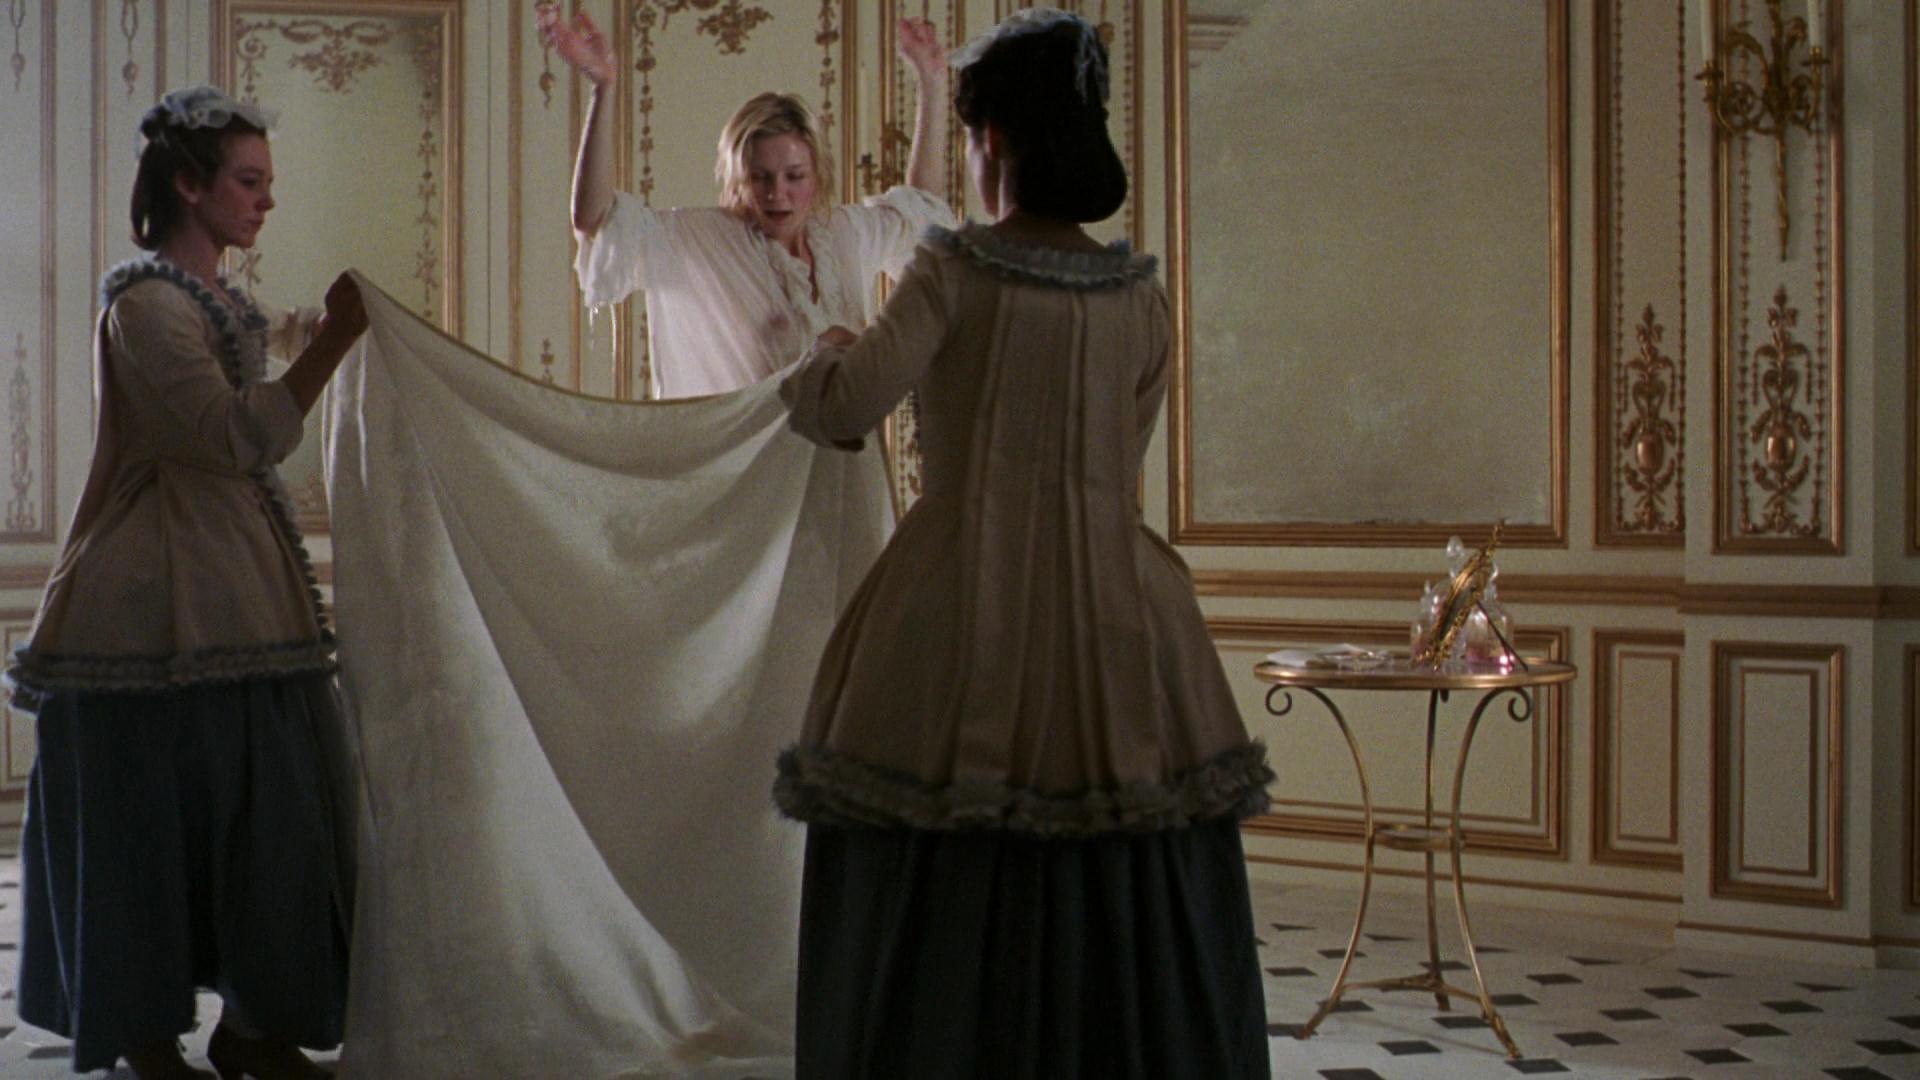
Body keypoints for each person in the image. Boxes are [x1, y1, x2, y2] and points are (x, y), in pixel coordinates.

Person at [775, 10, 1274, 1078]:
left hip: (963, 606)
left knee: (945, 881)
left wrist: (823, 353)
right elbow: (1120, 457)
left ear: (991, 139)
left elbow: (845, 407)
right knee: (1129, 863)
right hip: (1120, 615)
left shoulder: (954, 272)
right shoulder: (1137, 296)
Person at [7, 84, 366, 1080]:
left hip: (239, 582)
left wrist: (338, 327)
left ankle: (257, 1022)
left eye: (266, 182)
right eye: (248, 182)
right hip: (149, 592)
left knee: (271, 816)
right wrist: (334, 343)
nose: (266, 201)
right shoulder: (144, 306)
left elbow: (267, 336)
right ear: (188, 186)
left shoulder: (215, 302)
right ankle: (141, 1031)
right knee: (144, 826)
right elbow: (230, 435)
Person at [537, 2, 958, 398]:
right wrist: (604, 89)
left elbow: (923, 214)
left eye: (795, 176)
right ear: (739, 178)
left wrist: (933, 83)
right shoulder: (702, 240)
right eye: (760, 178)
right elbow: (595, 219)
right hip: (751, 454)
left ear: (818, 173)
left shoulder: (846, 233)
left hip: (845, 448)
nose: (777, 193)